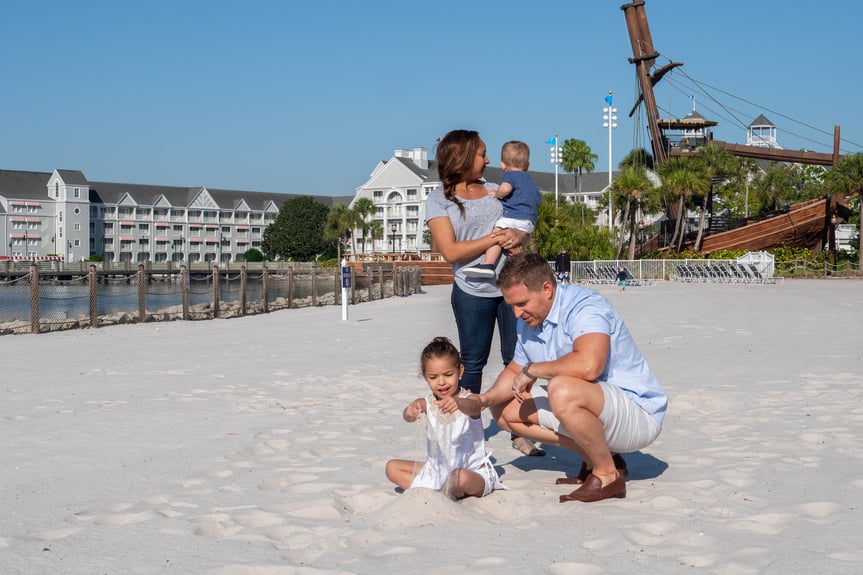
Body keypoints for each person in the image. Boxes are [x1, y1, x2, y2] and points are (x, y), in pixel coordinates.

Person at [478, 252, 667, 502]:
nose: (515, 313)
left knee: (561, 388)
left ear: (547, 289)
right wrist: (482, 400)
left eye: (521, 303)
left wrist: (533, 370)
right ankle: (596, 459)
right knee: (503, 409)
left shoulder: (585, 307)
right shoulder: (528, 321)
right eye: (511, 305)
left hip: (638, 413)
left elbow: (589, 366)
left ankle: (607, 475)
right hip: (597, 406)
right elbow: (514, 371)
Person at [426, 129, 544, 457]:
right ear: (463, 157)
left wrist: (518, 238)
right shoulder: (438, 200)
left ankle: (519, 430)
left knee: (517, 360)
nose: (488, 159)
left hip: (511, 288)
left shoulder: (496, 189)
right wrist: (494, 238)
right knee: (472, 363)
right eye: (482, 153)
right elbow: (450, 251)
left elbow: (521, 225)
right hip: (471, 290)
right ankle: (467, 432)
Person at [385, 337, 506, 499]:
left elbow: (475, 407)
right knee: (391, 468)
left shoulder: (468, 399)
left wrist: (458, 403)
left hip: (472, 471)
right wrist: (410, 411)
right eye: (433, 377)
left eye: (448, 374)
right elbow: (407, 417)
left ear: (460, 372)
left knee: (459, 478)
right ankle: (440, 491)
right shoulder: (427, 403)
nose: (441, 382)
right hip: (438, 470)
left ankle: (442, 492)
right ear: (425, 377)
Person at [463, 141, 541, 279]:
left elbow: (505, 189)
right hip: (529, 221)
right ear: (527, 166)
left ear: (503, 165)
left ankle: (488, 264)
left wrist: (496, 194)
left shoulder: (509, 175)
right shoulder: (530, 179)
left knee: (496, 234)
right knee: (514, 244)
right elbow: (537, 198)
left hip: (513, 216)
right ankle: (519, 267)